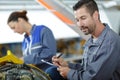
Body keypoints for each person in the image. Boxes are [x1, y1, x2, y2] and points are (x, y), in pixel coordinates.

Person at [47, 0, 120, 80]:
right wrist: (67, 65)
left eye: (83, 18)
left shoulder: (110, 42)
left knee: (52, 73)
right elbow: (86, 69)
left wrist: (69, 73)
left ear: (95, 15)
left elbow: (94, 78)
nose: (80, 24)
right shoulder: (91, 40)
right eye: (77, 20)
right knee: (52, 71)